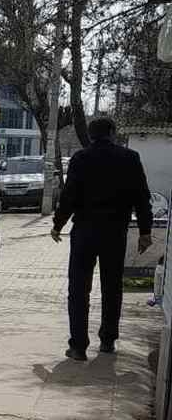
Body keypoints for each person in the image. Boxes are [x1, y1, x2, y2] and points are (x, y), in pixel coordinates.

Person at [52, 116, 153, 360]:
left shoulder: (81, 158)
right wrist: (145, 231)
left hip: (85, 232)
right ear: (113, 133)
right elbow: (142, 196)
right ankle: (107, 340)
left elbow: (69, 196)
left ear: (91, 133)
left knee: (78, 289)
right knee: (112, 287)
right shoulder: (129, 158)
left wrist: (58, 224)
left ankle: (78, 346)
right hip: (115, 233)